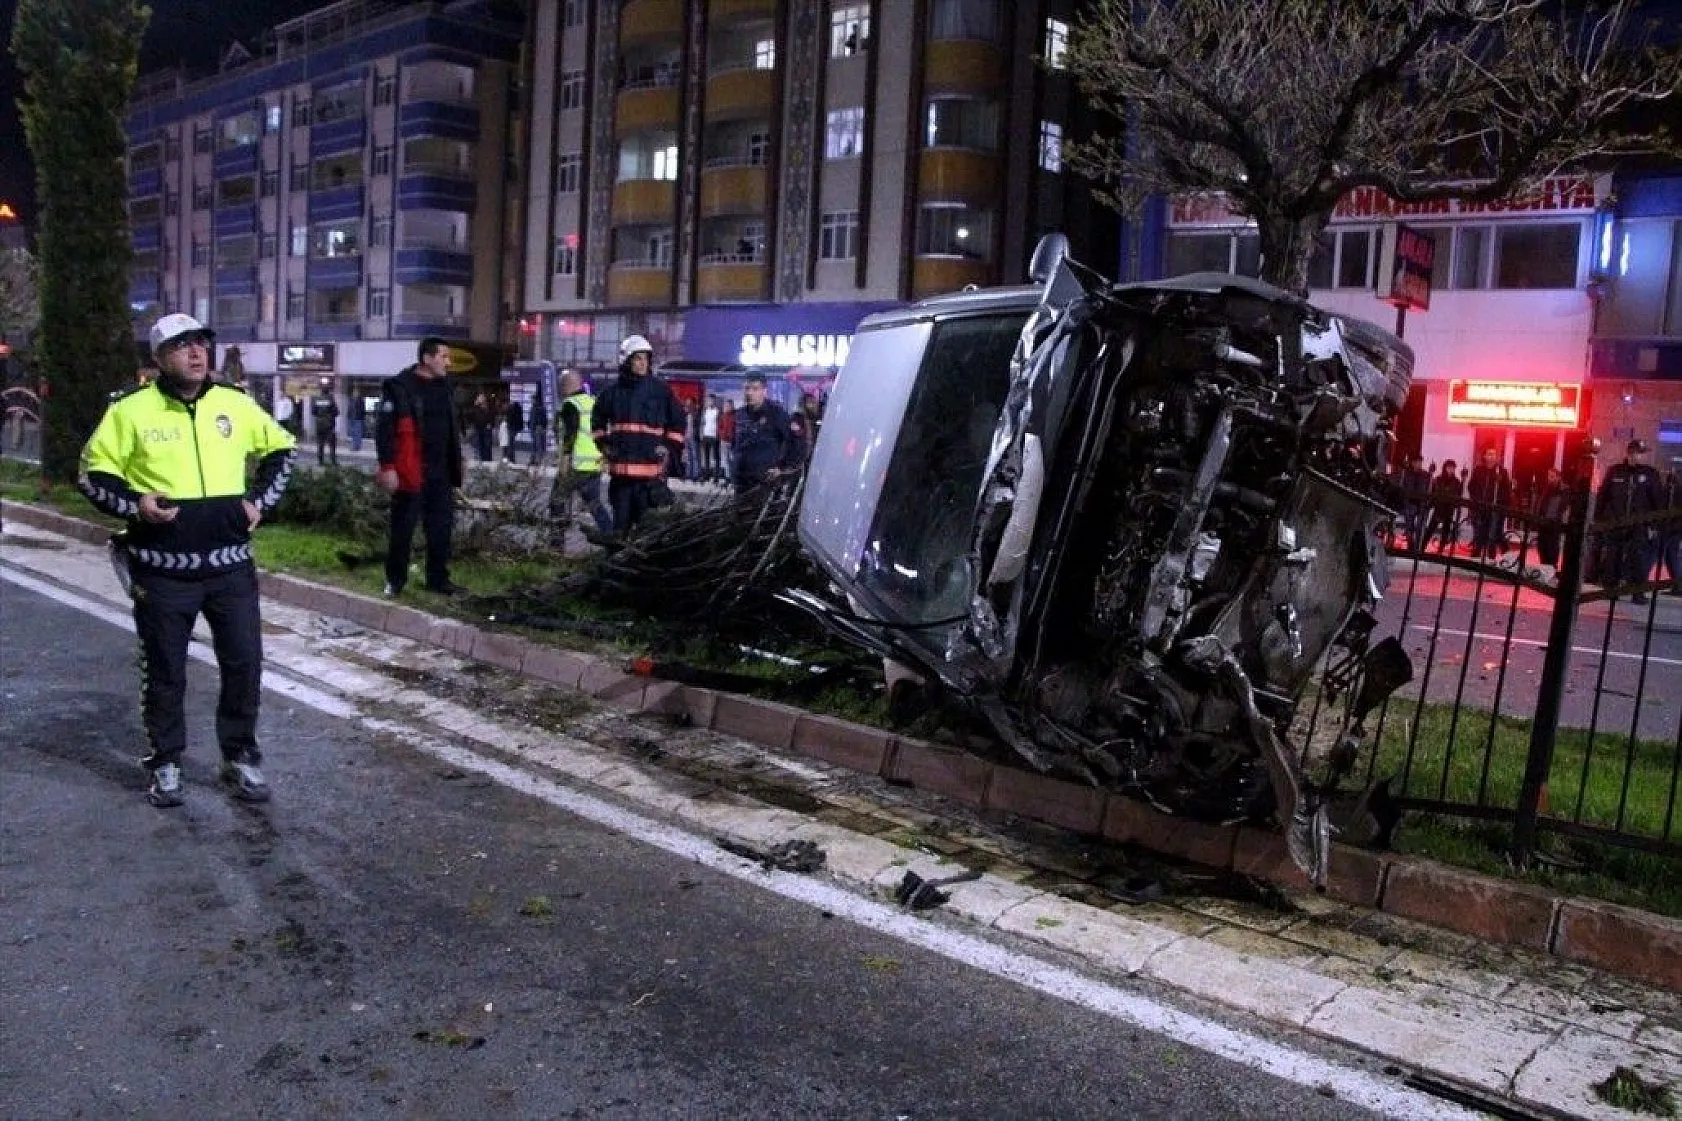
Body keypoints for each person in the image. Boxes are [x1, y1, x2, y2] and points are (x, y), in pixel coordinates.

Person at [78, 313, 297, 807]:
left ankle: (240, 757)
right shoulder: (129, 412)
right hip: (161, 573)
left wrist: (260, 501)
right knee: (165, 671)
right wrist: (136, 505)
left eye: (201, 343)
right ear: (158, 360)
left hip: (230, 568)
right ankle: (167, 761)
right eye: (182, 346)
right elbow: (93, 477)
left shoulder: (235, 405)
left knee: (244, 664)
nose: (196, 353)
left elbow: (283, 449)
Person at [375, 337, 467, 597]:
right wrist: (387, 466)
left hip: (441, 473)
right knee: (403, 529)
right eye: (444, 356)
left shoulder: (446, 387)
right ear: (427, 358)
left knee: (441, 529)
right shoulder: (400, 387)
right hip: (411, 471)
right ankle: (395, 581)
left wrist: (458, 462)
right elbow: (385, 430)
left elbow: (452, 430)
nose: (448, 362)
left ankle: (438, 579)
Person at [592, 334, 686, 534]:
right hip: (621, 481)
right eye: (637, 358)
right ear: (626, 361)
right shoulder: (612, 393)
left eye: (646, 358)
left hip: (650, 481)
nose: (643, 363)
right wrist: (604, 445)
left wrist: (668, 447)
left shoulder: (661, 391)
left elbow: (678, 422)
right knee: (620, 533)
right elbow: (597, 422)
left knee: (649, 535)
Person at [1595, 438, 1664, 602]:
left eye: (1640, 453)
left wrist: (1654, 525)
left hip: (1639, 524)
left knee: (1638, 559)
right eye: (1635, 453)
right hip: (1616, 522)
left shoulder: (1650, 474)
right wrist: (1599, 519)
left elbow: (1657, 501)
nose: (1638, 457)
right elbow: (1603, 497)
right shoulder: (1615, 471)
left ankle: (1637, 592)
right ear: (1629, 453)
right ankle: (1611, 590)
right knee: (1613, 556)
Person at [549, 370, 614, 538]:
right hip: (594, 465)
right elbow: (603, 433)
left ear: (565, 386)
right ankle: (611, 537)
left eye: (561, 386)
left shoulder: (570, 404)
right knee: (595, 505)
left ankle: (556, 544)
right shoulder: (593, 402)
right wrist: (605, 458)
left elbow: (569, 435)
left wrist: (564, 461)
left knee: (557, 502)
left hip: (575, 466)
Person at [732, 374, 802, 492]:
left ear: (764, 391)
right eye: (747, 388)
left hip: (765, 483)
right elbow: (737, 445)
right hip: (741, 482)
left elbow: (796, 441)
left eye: (755, 389)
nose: (749, 393)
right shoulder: (740, 414)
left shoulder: (776, 413)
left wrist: (782, 468)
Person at [1466, 446, 1511, 559]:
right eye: (1489, 454)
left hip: (1495, 508)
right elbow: (1471, 486)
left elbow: (1507, 491)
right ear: (1485, 456)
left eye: (1494, 454)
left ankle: (1491, 559)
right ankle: (1475, 557)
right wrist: (1476, 500)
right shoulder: (1479, 470)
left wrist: (1501, 504)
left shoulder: (1502, 471)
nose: (1492, 456)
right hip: (1481, 507)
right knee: (1479, 533)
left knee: (1492, 534)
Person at [1422, 460, 1463, 555]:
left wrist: (1455, 505)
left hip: (1449, 509)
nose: (1450, 470)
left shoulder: (1457, 482)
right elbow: (1433, 492)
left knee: (1445, 531)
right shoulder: (1438, 479)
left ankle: (1441, 549)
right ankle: (1422, 546)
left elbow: (1458, 495)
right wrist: (1430, 504)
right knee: (1430, 529)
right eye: (1449, 467)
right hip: (1439, 507)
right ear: (1445, 467)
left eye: (1452, 468)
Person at [1398, 454, 1432, 552]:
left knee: (1420, 528)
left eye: (1420, 462)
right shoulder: (1406, 474)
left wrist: (1428, 502)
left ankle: (1417, 548)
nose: (1418, 464)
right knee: (1409, 527)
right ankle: (1410, 546)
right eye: (1416, 462)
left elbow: (1429, 489)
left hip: (1421, 504)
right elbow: (1403, 487)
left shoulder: (1426, 475)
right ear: (1412, 463)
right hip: (1410, 503)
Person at [310, 376, 340, 466]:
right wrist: (330, 416)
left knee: (320, 444)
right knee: (332, 444)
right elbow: (336, 412)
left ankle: (320, 461)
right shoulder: (330, 398)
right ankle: (333, 461)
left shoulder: (316, 399)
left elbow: (313, 412)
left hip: (319, 425)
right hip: (329, 424)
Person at [700, 395, 721, 481]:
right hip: (706, 436)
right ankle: (707, 475)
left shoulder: (717, 411)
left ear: (714, 401)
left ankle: (716, 476)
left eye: (711, 400)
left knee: (715, 457)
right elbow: (703, 423)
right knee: (706, 457)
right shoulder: (706, 411)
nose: (710, 402)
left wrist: (718, 435)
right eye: (708, 400)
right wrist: (702, 434)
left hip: (714, 436)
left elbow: (720, 424)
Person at [528, 391, 549, 466]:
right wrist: (529, 425)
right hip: (533, 428)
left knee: (538, 445)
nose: (531, 400)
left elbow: (543, 419)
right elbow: (531, 419)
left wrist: (541, 426)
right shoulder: (533, 407)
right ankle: (533, 460)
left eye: (532, 399)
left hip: (537, 428)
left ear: (536, 399)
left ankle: (538, 461)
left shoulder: (539, 408)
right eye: (531, 399)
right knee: (534, 445)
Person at [503, 396, 524, 463]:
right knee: (511, 443)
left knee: (510, 443)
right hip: (514, 427)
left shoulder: (511, 408)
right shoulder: (518, 408)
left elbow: (509, 418)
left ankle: (510, 458)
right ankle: (511, 458)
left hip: (512, 427)